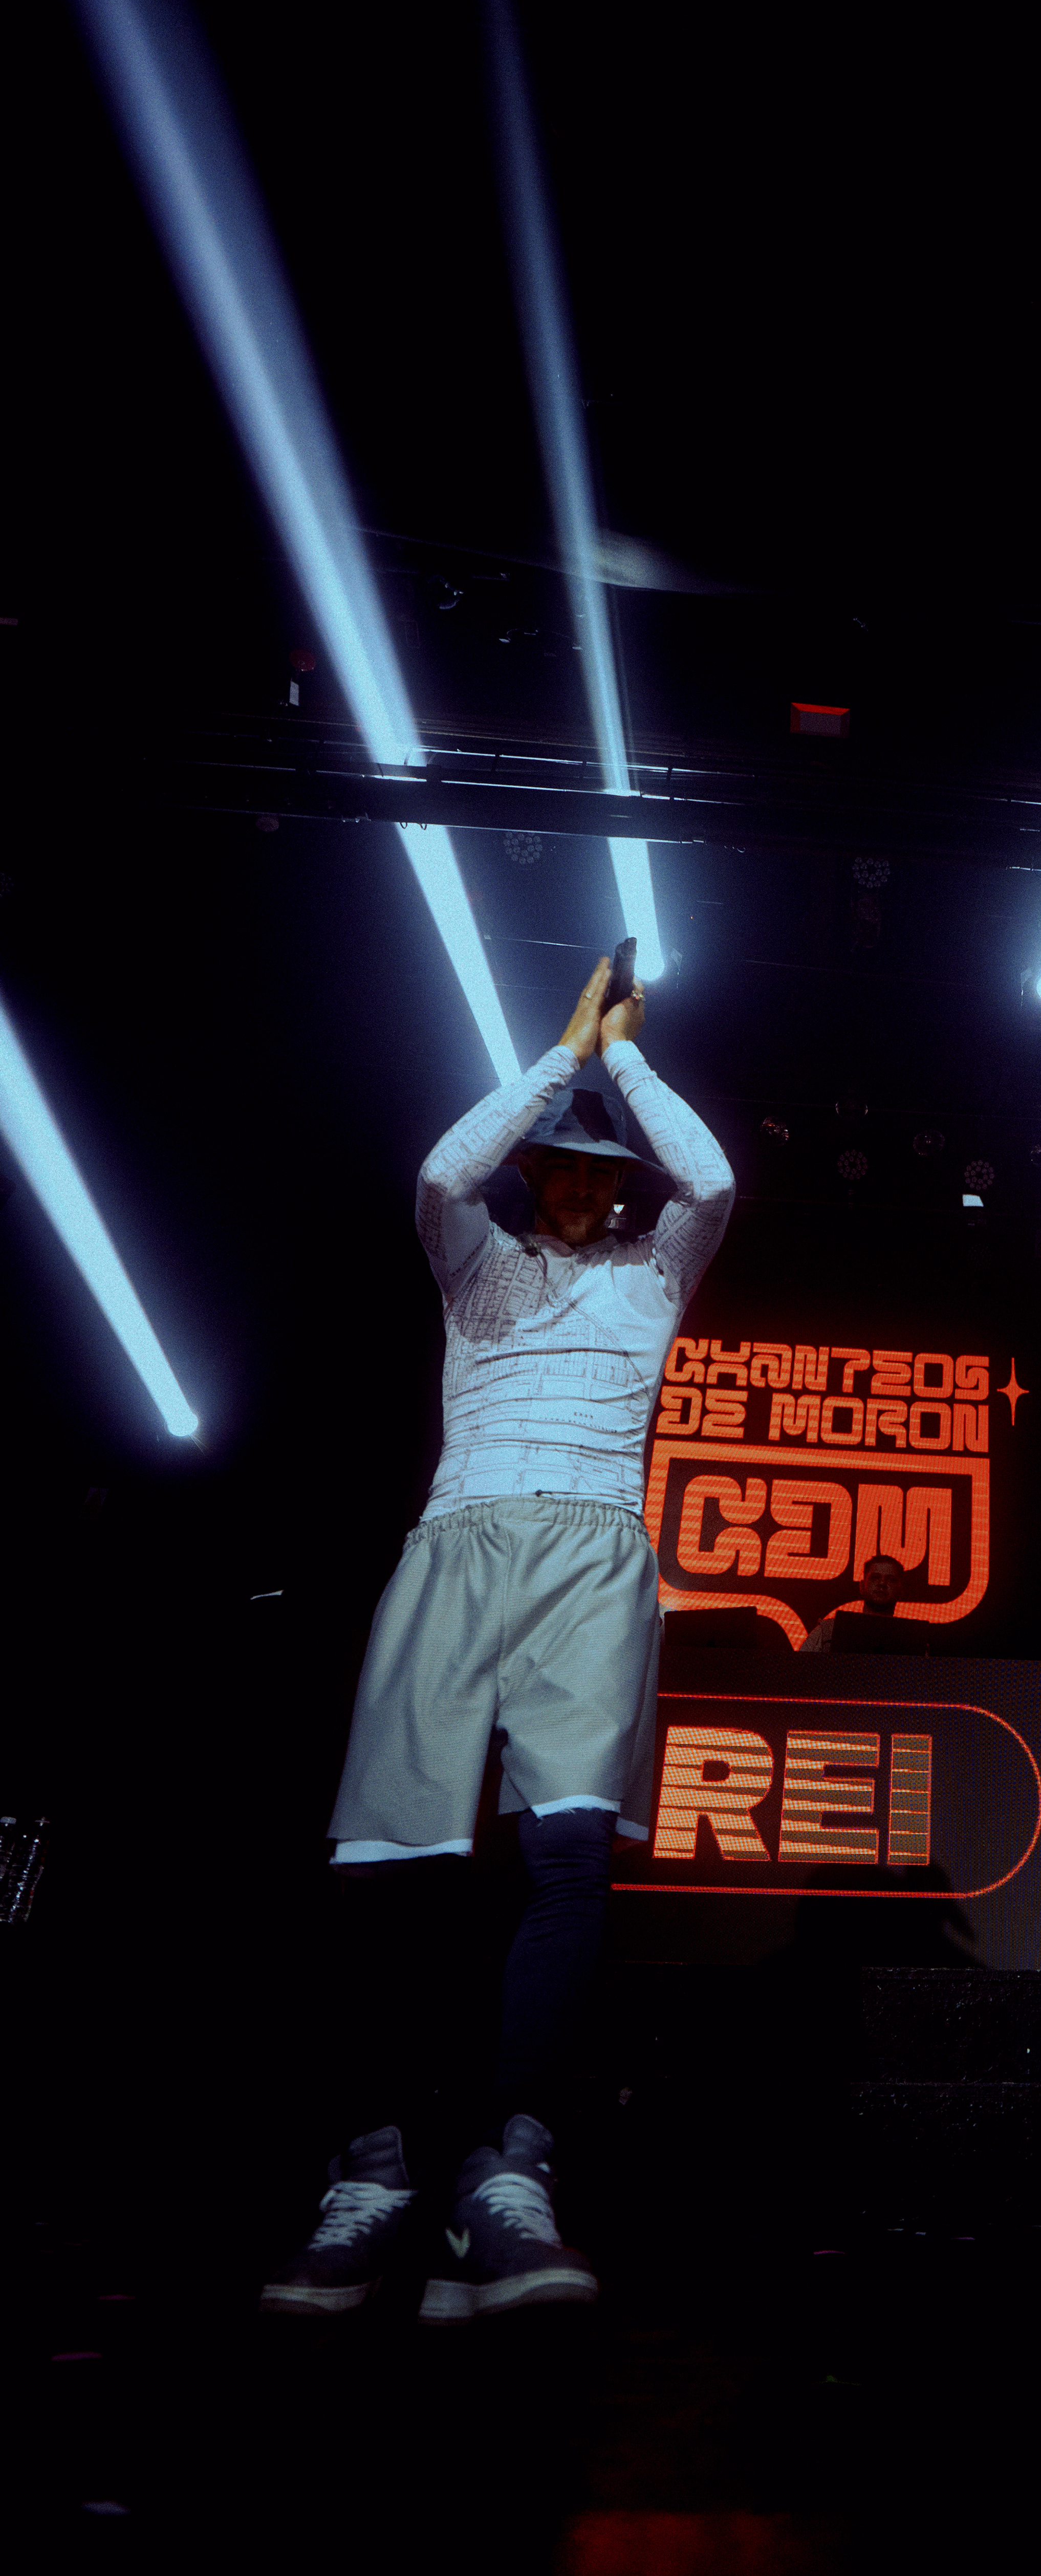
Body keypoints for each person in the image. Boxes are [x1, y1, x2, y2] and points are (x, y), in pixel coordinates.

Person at [262, 957, 734, 2321]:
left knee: (569, 1850)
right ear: (534, 1171)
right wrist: (561, 1054)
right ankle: (368, 2174)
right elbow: (436, 1172)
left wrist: (624, 1061)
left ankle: (508, 2171)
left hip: (592, 1554)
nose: (581, 1186)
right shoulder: (474, 1257)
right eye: (561, 1165)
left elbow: (712, 1180)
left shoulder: (656, 1269)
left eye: (600, 1169)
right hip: (461, 1539)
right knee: (389, 1863)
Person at [798, 1550, 930, 1652]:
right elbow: (799, 1670)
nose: (882, 1584)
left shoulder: (913, 1641)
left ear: (901, 1591)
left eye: (891, 1580)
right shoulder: (828, 1631)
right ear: (862, 1586)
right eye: (875, 1578)